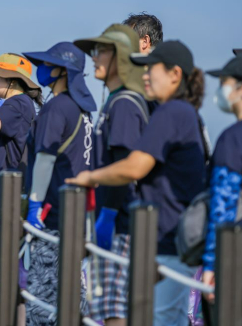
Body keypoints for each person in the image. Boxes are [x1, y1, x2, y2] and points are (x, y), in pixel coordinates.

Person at [67, 40, 207, 326]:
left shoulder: (170, 112)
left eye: (151, 69)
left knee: (161, 318)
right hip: (176, 237)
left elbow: (136, 166)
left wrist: (90, 177)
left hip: (167, 237)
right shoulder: (184, 112)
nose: (144, 75)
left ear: (174, 74)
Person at [73, 24, 149, 326]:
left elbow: (127, 168)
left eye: (102, 50)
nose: (94, 58)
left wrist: (107, 213)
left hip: (121, 225)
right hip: (115, 223)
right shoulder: (116, 101)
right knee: (105, 308)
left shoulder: (125, 104)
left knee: (112, 310)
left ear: (120, 57)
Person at [20, 42, 97, 325]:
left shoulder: (55, 108)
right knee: (72, 297)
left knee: (43, 300)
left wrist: (35, 206)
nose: (42, 70)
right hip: (79, 218)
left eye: (48, 65)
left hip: (52, 216)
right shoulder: (84, 111)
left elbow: (45, 159)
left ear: (62, 72)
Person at [200, 52, 242, 326]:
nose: (221, 90)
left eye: (225, 82)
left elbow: (222, 206)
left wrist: (211, 264)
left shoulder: (234, 138)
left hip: (239, 271)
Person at [0, 53, 42, 280]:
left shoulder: (19, 103)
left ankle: (11, 315)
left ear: (11, 80)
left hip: (6, 200)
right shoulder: (14, 106)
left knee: (4, 271)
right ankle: (6, 314)